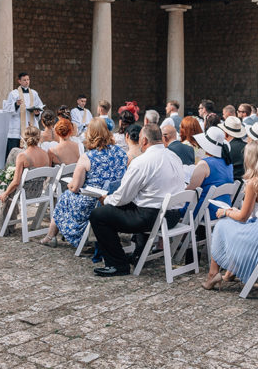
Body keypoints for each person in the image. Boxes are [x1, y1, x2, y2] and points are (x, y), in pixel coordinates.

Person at [88, 124, 185, 276]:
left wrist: (106, 199)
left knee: (98, 215)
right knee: (140, 202)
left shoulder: (142, 162)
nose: (139, 142)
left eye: (140, 139)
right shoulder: (175, 157)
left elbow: (122, 197)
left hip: (152, 218)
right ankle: (138, 253)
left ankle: (118, 264)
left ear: (145, 140)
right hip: (173, 216)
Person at [204, 143, 258, 290]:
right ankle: (230, 272)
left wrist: (226, 212)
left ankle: (213, 274)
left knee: (222, 225)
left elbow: (243, 217)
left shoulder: (254, 183)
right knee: (230, 224)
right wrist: (233, 211)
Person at [44, 118, 128, 247]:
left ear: (91, 134)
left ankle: (50, 236)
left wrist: (70, 184)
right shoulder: (122, 153)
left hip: (93, 203)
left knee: (65, 197)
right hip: (115, 200)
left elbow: (75, 187)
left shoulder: (88, 157)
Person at [0, 126, 51, 234]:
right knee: (10, 189)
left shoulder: (22, 156)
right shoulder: (45, 154)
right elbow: (45, 176)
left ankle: (8, 225)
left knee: (4, 188)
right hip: (38, 192)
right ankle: (10, 221)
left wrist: (5, 193)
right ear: (39, 137)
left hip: (23, 194)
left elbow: (16, 182)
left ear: (24, 139)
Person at [187, 127, 235, 220]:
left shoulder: (204, 164)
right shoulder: (228, 163)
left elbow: (191, 189)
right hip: (224, 206)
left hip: (207, 210)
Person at [3, 72, 44, 160]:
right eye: (24, 80)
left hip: (31, 123)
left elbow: (40, 106)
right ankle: (12, 168)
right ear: (19, 81)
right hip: (18, 125)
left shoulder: (34, 93)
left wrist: (37, 113)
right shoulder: (14, 93)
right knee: (14, 148)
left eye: (28, 80)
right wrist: (16, 105)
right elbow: (7, 109)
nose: (27, 82)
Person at [220, 116, 247, 180]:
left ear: (225, 133)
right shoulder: (248, 146)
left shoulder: (225, 149)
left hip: (230, 182)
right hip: (244, 182)